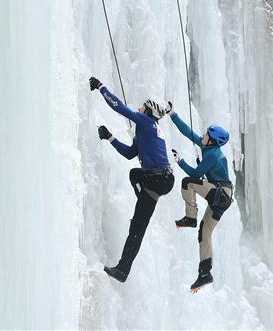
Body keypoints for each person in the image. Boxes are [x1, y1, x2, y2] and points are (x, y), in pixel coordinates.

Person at [90, 76, 174, 282]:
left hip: (156, 179)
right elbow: (130, 154)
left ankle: (122, 270)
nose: (140, 106)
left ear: (149, 110)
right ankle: (123, 267)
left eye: (143, 105)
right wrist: (110, 137)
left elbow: (119, 108)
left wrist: (101, 87)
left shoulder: (146, 122)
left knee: (136, 228)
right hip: (161, 180)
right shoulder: (149, 129)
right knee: (134, 175)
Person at [168, 102, 233, 292]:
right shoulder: (208, 147)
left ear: (211, 141)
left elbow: (195, 175)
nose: (203, 135)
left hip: (220, 193)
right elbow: (188, 133)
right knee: (204, 233)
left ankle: (190, 217)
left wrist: (179, 160)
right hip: (222, 198)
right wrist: (173, 115)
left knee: (188, 182)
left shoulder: (213, 154)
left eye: (206, 135)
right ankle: (205, 273)